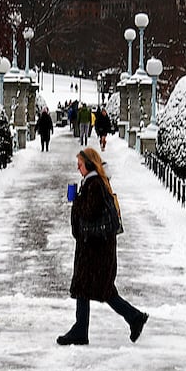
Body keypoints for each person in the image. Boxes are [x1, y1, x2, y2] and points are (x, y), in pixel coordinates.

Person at [58, 147, 148, 346]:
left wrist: (76, 200)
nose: (77, 167)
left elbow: (89, 212)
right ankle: (131, 318)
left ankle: (131, 318)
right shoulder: (94, 182)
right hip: (96, 247)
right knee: (96, 289)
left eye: (80, 164)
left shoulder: (95, 184)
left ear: (89, 164)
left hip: (95, 249)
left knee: (97, 289)